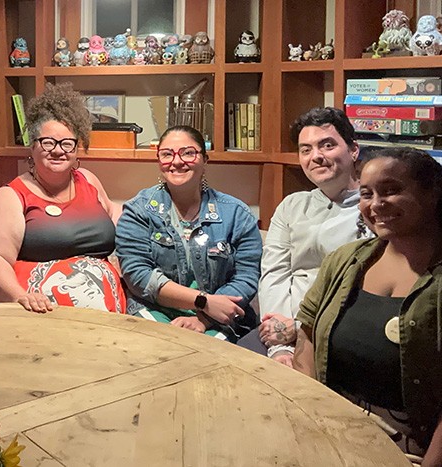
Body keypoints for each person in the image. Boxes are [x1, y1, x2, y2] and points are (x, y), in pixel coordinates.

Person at [294, 147, 442, 463]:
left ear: (432, 193)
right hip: (329, 435)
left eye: (391, 191)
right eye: (366, 193)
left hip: (412, 452)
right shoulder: (344, 260)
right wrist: (309, 416)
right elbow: (306, 335)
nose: (375, 204)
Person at [0, 82, 124, 313]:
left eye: (67, 143)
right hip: (33, 311)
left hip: (101, 310)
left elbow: (114, 214)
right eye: (48, 142)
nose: (58, 150)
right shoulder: (10, 197)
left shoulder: (88, 180)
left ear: (76, 149)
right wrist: (20, 296)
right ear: (32, 146)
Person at [241, 107, 372, 365]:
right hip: (279, 328)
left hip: (340, 331)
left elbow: (360, 288)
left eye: (327, 145)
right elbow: (275, 273)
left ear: (353, 149)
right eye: (306, 149)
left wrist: (300, 329)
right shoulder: (292, 206)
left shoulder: (374, 209)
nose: (316, 157)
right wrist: (279, 341)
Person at [116, 125, 262, 341]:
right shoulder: (138, 211)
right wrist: (202, 300)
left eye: (188, 152)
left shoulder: (236, 213)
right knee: (162, 349)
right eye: (167, 154)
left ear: (205, 160)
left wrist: (204, 318)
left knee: (209, 358)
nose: (176, 161)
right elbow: (138, 275)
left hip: (219, 317)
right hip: (156, 310)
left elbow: (247, 277)